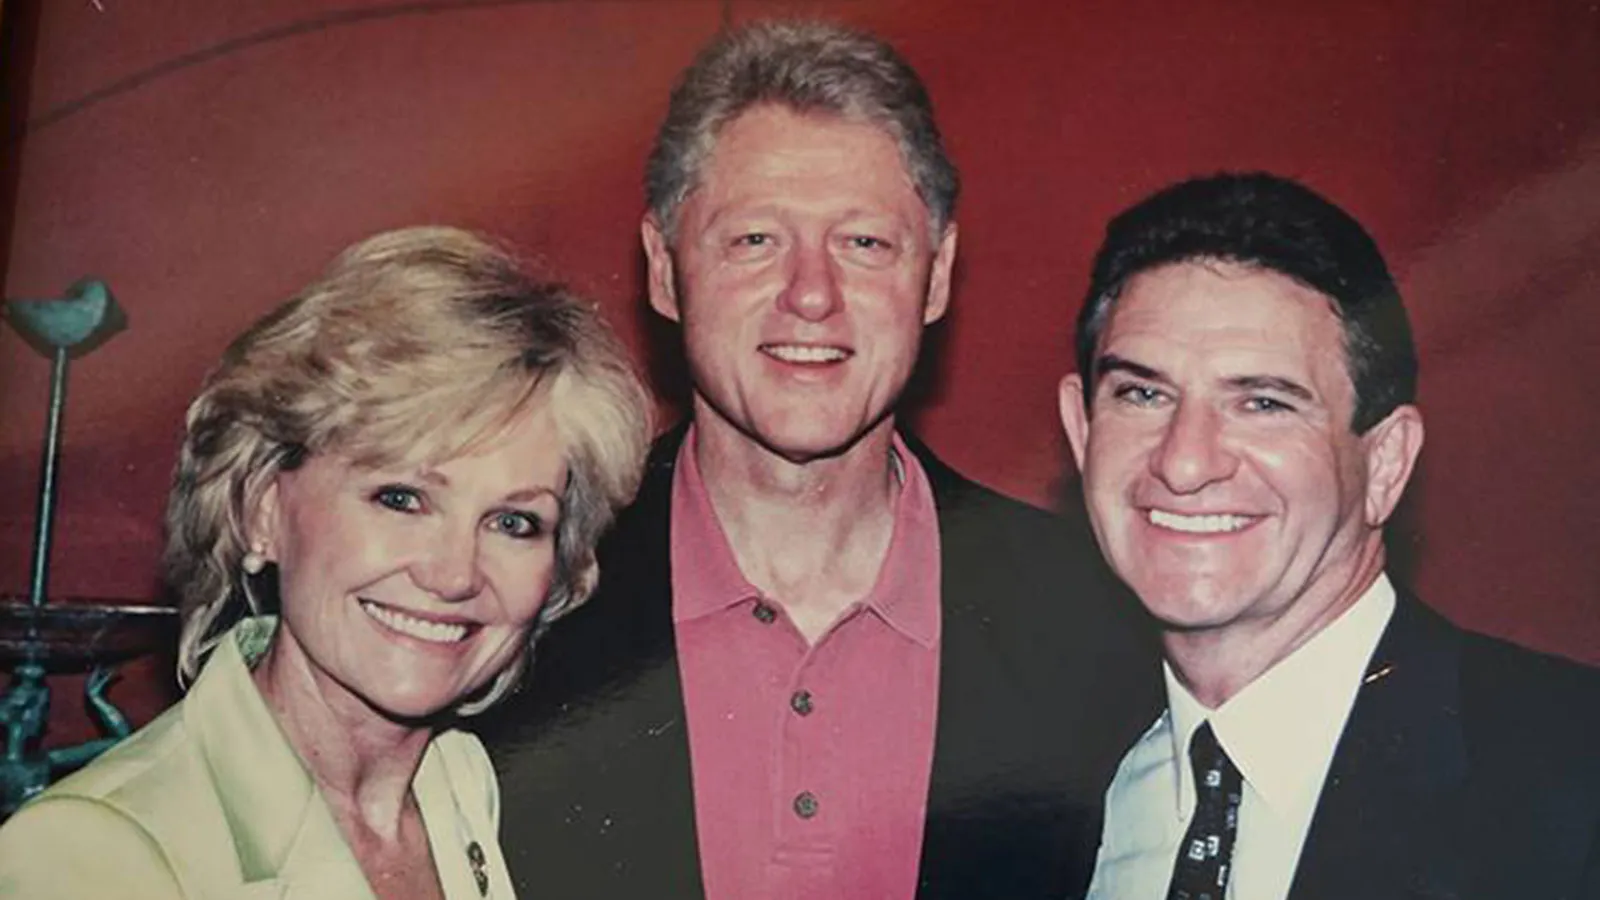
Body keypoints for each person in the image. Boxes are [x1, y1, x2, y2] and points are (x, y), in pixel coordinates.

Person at [473, 20, 1159, 900]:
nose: (811, 295)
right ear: (664, 268)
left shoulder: (1096, 626)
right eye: (755, 240)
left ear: (938, 274)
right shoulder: (518, 597)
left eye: (864, 243)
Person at [0, 227, 652, 899]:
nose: (455, 574)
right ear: (262, 510)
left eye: (514, 522)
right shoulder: (91, 855)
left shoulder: (459, 789)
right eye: (401, 498)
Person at [1058, 172, 1600, 900]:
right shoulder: (1036, 789)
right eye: (1144, 394)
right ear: (1081, 430)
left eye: (1263, 403)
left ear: (1385, 463)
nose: (1184, 462)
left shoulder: (1570, 777)